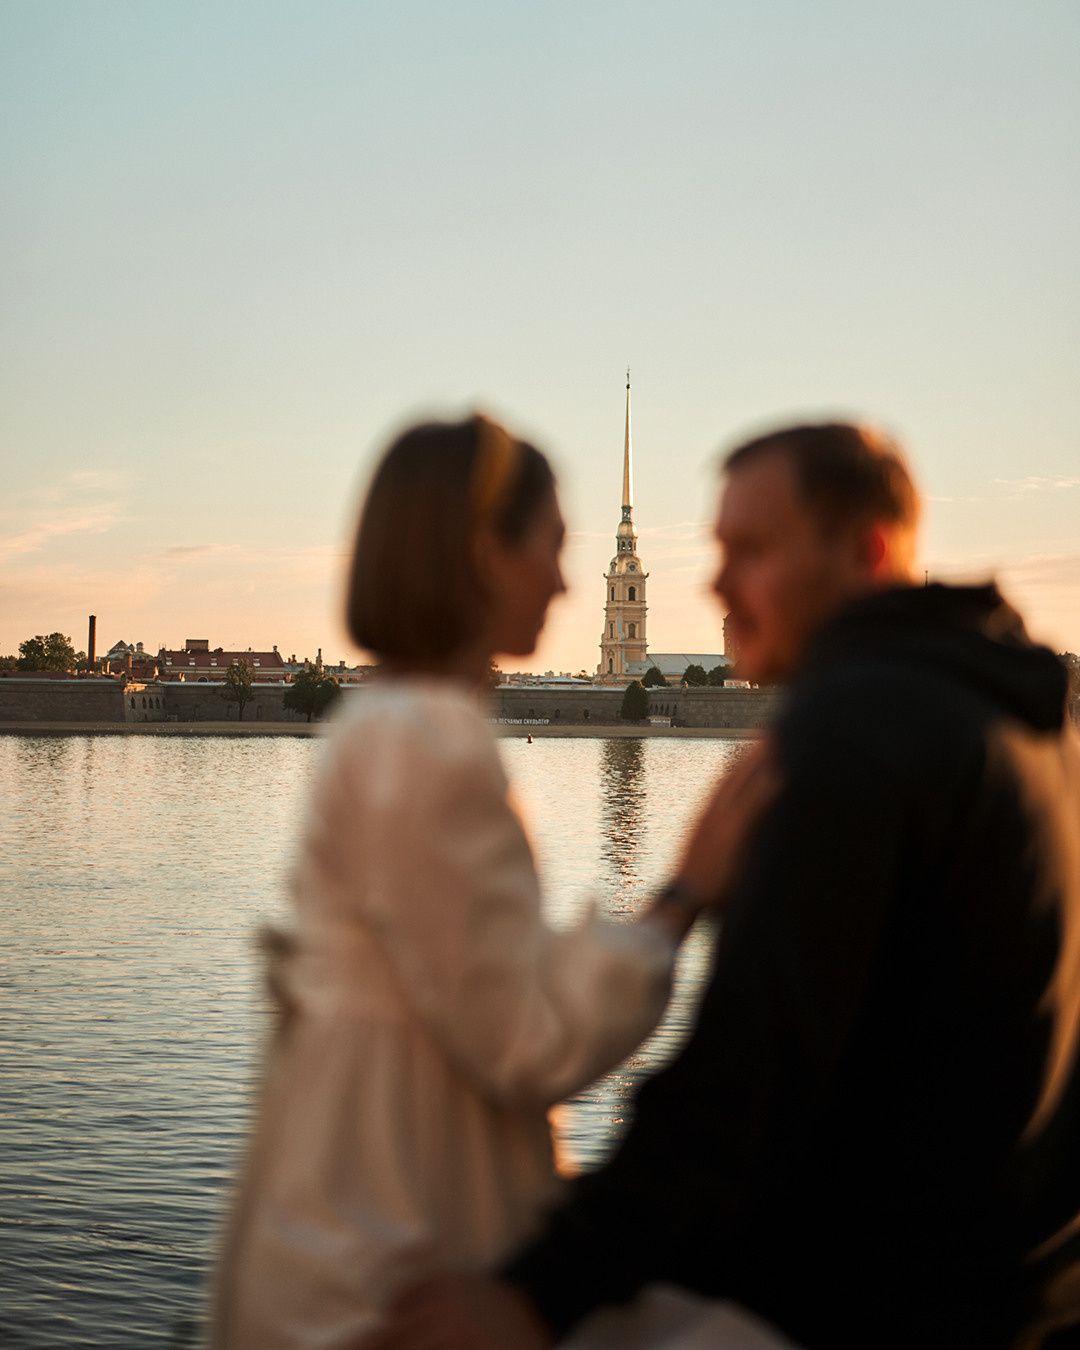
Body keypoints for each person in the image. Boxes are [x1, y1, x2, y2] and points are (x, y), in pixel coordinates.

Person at [366, 422, 1080, 1350]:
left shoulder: (852, 738)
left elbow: (743, 1070)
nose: (715, 584)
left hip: (892, 1309)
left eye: (751, 550)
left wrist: (540, 1291)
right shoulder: (1022, 724)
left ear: (866, 551)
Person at [209, 414, 767, 1349]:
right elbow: (529, 1041)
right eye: (549, 550)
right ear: (481, 555)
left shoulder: (385, 727)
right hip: (395, 1262)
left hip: (351, 1218)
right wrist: (686, 893)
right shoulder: (429, 747)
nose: (563, 581)